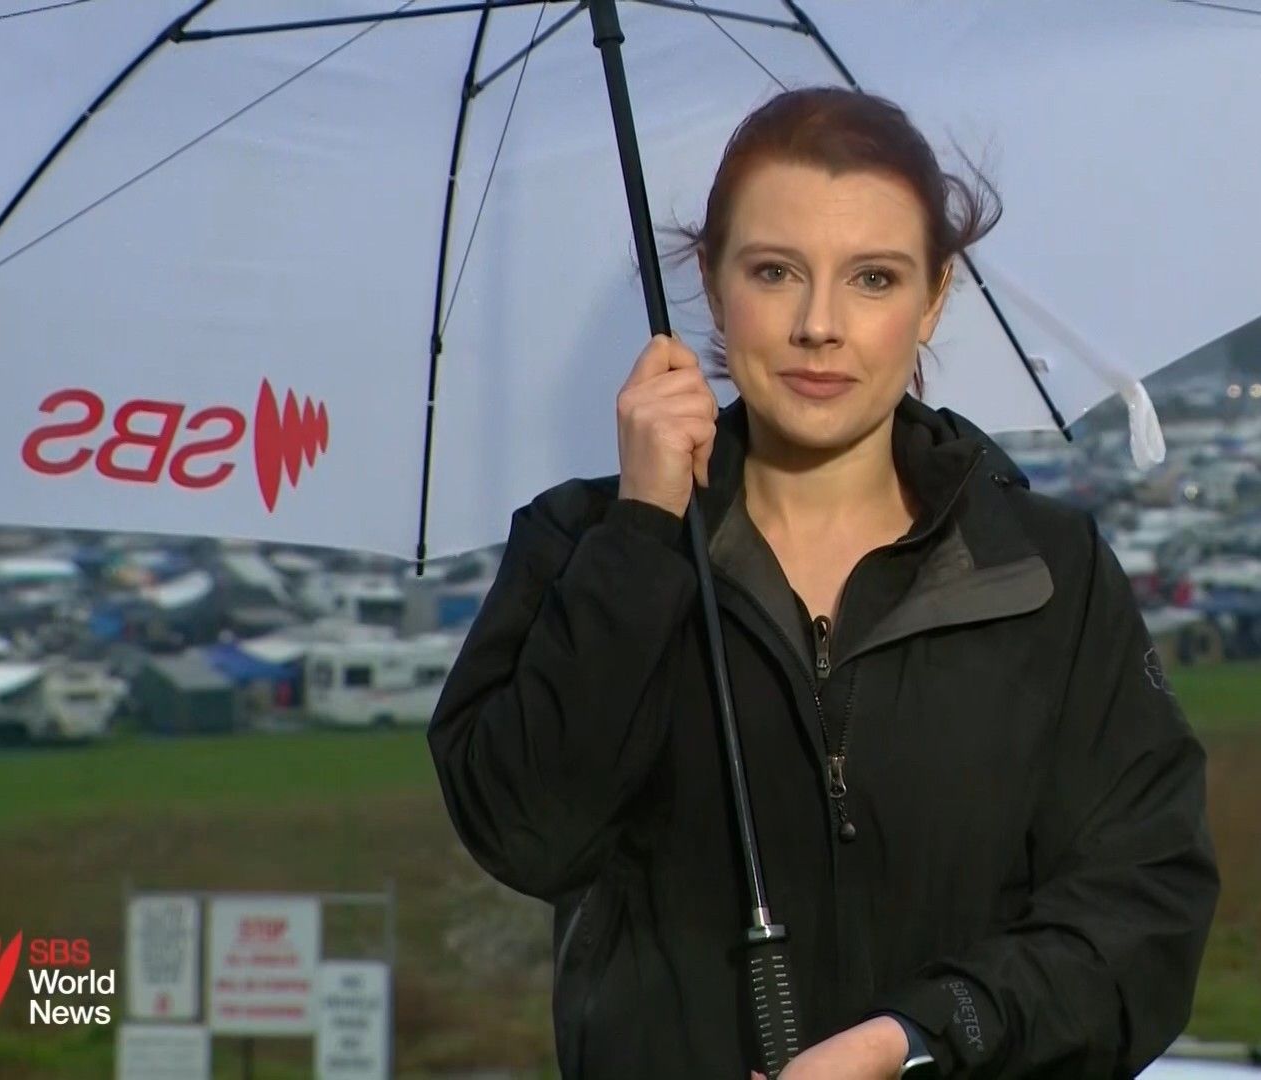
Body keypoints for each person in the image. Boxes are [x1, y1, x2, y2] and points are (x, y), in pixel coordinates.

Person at [428, 87, 1219, 1079]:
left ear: (935, 297)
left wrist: (921, 1039)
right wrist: (641, 531)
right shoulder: (584, 547)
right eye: (775, 272)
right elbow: (526, 835)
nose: (819, 326)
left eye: (873, 279)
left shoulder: (1044, 574)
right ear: (712, 285)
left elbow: (1144, 911)